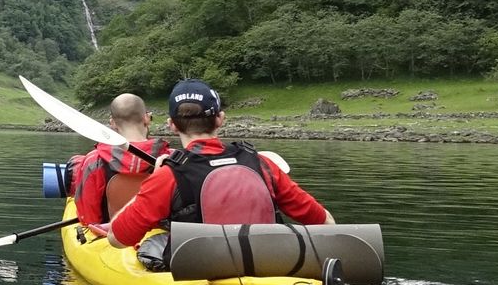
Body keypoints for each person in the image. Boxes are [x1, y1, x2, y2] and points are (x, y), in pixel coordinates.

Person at [103, 79, 333, 249]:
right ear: (220, 119)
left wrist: (154, 178)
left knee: (152, 245)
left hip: (205, 281)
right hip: (270, 271)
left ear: (172, 124)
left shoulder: (168, 175)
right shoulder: (261, 163)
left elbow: (118, 238)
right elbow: (325, 222)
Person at [71, 93, 164, 232]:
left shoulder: (93, 161)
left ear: (112, 123)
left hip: (110, 238)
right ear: (146, 118)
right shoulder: (169, 158)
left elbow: (88, 218)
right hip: (157, 239)